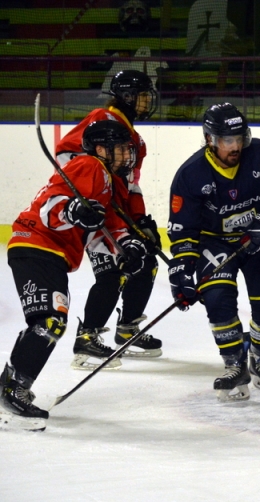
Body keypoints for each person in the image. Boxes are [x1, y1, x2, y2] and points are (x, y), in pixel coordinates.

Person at [1, 120, 147, 431]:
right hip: (36, 245)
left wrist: (127, 248)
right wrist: (73, 211)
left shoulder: (108, 180)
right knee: (49, 320)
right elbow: (49, 206)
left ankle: (13, 383)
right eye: (120, 149)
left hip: (49, 253)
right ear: (100, 149)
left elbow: (104, 229)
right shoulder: (89, 165)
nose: (126, 155)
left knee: (52, 320)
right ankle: (12, 388)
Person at [167, 102, 260, 402]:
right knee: (216, 299)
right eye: (228, 140)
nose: (235, 146)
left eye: (239, 138)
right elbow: (183, 229)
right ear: (210, 140)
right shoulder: (191, 175)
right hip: (216, 243)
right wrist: (181, 271)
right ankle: (234, 364)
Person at [56, 69, 163, 369]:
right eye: (141, 95)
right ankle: (86, 340)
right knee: (112, 274)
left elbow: (131, 184)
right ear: (127, 97)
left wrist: (139, 219)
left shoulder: (135, 140)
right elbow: (65, 155)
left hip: (117, 214)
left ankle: (127, 328)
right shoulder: (102, 117)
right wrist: (88, 196)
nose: (146, 101)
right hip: (94, 212)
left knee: (146, 261)